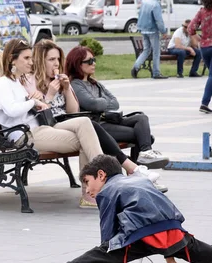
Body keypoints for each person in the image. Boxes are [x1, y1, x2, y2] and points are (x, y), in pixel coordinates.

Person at [16, 154, 212, 263]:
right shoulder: (139, 179)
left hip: (142, 235)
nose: (88, 190)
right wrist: (170, 257)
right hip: (173, 231)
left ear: (101, 175)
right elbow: (160, 216)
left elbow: (107, 235)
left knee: (96, 255)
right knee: (202, 251)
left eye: (88, 182)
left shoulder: (107, 191)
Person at [25, 40, 167, 194]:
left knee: (136, 120)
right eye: (51, 60)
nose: (56, 64)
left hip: (67, 122)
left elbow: (73, 110)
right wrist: (50, 95)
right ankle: (120, 175)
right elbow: (40, 115)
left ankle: (122, 176)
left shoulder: (62, 80)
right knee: (89, 126)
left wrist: (66, 90)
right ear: (40, 61)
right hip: (49, 127)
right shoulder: (32, 83)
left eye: (58, 59)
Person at [0, 39, 104, 208]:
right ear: (12, 60)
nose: (31, 62)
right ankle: (99, 188)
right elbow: (12, 111)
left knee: (85, 123)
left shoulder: (16, 83)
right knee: (86, 140)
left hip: (39, 129)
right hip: (26, 136)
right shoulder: (2, 83)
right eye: (26, 58)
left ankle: (96, 188)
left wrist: (41, 101)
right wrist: (34, 102)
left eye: (31, 58)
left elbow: (34, 107)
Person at [66, 45, 170, 170]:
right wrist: (103, 102)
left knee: (141, 118)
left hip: (111, 119)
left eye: (94, 60)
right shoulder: (76, 85)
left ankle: (145, 154)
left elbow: (115, 102)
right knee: (141, 136)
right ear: (78, 64)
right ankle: (140, 170)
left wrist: (101, 103)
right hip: (99, 125)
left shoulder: (95, 83)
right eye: (89, 61)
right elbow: (93, 104)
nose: (93, 63)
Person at [131, 0, 168, 80]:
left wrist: (140, 27)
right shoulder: (156, 5)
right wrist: (163, 31)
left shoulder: (144, 2)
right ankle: (156, 73)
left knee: (146, 50)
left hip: (143, 29)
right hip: (152, 30)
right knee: (156, 52)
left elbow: (140, 15)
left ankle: (136, 67)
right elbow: (159, 20)